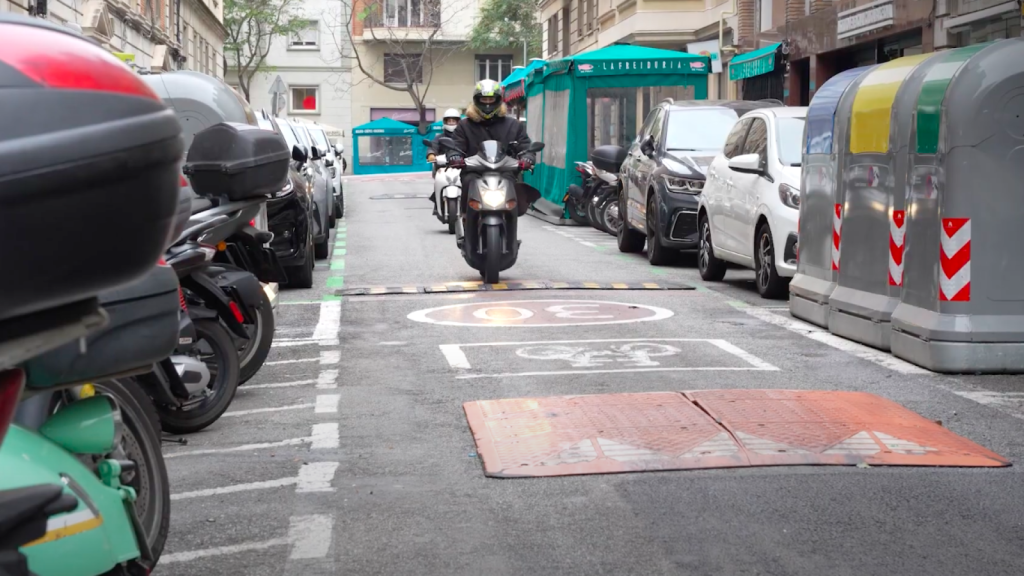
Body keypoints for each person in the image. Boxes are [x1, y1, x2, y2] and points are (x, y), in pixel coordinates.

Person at [446, 80, 534, 209]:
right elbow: (456, 145)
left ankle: (510, 219)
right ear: (476, 100)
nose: (487, 103)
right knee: (468, 181)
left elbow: (525, 145)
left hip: (505, 172)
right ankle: (466, 216)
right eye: (484, 99)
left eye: (491, 99)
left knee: (514, 189)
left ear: (498, 100)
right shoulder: (464, 125)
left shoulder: (513, 125)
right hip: (474, 171)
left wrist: (528, 157)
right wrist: (454, 155)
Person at [428, 108, 461, 214]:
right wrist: (431, 154)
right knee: (438, 181)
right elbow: (433, 146)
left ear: (458, 122)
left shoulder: (461, 136)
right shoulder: (439, 137)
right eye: (449, 121)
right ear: (445, 122)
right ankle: (437, 204)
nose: (451, 123)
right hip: (442, 166)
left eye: (454, 121)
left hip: (460, 164)